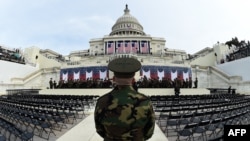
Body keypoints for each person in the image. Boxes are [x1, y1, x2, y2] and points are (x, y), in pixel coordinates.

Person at [94, 57, 155, 141]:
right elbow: (149, 131)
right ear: (133, 79)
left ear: (114, 79)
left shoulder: (102, 101)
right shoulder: (144, 101)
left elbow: (99, 129)